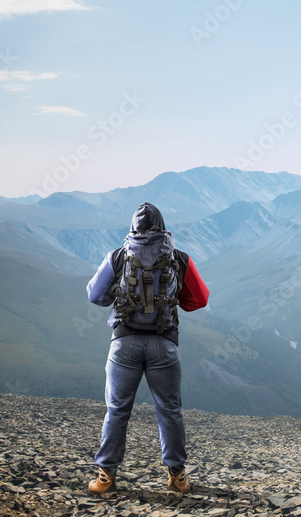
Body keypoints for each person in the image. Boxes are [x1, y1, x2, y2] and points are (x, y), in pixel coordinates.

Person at [85, 202, 209, 498]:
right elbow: (200, 299)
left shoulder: (117, 256)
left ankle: (105, 478)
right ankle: (177, 478)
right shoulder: (179, 258)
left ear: (132, 228)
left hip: (123, 344)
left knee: (116, 411)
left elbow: (95, 295)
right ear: (163, 227)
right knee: (169, 411)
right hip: (164, 345)